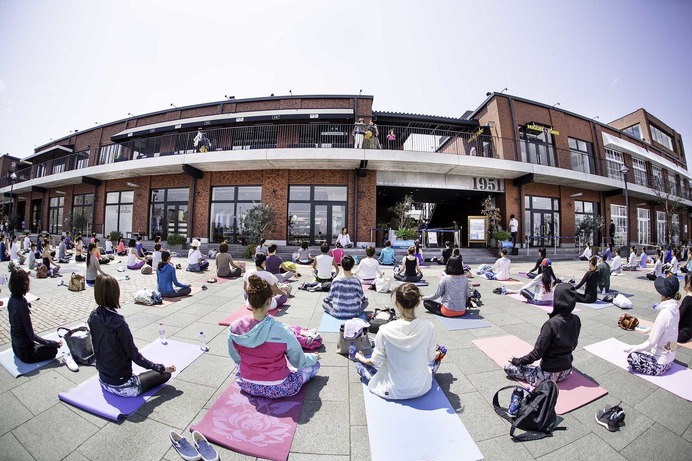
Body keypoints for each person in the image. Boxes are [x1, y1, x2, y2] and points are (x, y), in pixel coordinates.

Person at [229, 275, 320, 398]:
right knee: (314, 365)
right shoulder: (282, 330)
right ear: (269, 301)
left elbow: (236, 359)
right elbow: (298, 361)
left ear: (249, 300)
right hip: (280, 387)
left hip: (247, 384)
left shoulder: (234, 327)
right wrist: (313, 357)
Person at [88, 274, 175, 397]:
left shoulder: (93, 316)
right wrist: (161, 368)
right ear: (115, 293)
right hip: (124, 386)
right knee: (166, 374)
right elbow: (135, 356)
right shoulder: (119, 323)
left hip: (103, 380)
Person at [354, 283, 442, 400]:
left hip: (393, 390)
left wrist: (360, 358)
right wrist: (438, 353)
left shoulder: (385, 330)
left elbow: (374, 362)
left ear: (397, 304)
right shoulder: (428, 326)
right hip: (422, 388)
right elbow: (431, 358)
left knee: (360, 366)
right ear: (417, 303)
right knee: (435, 360)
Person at [504, 283, 581, 386]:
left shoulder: (551, 324)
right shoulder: (576, 319)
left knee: (508, 366)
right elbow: (574, 345)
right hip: (566, 372)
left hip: (547, 374)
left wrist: (517, 360)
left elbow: (536, 354)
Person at [625, 274, 680, 376]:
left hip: (660, 364)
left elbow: (651, 343)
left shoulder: (664, 314)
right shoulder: (676, 309)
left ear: (664, 294)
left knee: (632, 357)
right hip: (670, 359)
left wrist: (632, 348)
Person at [8, 270, 63, 363]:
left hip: (15, 346)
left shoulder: (11, 299)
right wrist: (51, 343)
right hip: (25, 352)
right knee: (53, 350)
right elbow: (31, 335)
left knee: (42, 346)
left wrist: (25, 302)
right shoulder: (21, 306)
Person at [678, 273, 692, 343]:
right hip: (689, 332)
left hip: (682, 334)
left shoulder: (687, 299)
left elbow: (679, 317)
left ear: (688, 283)